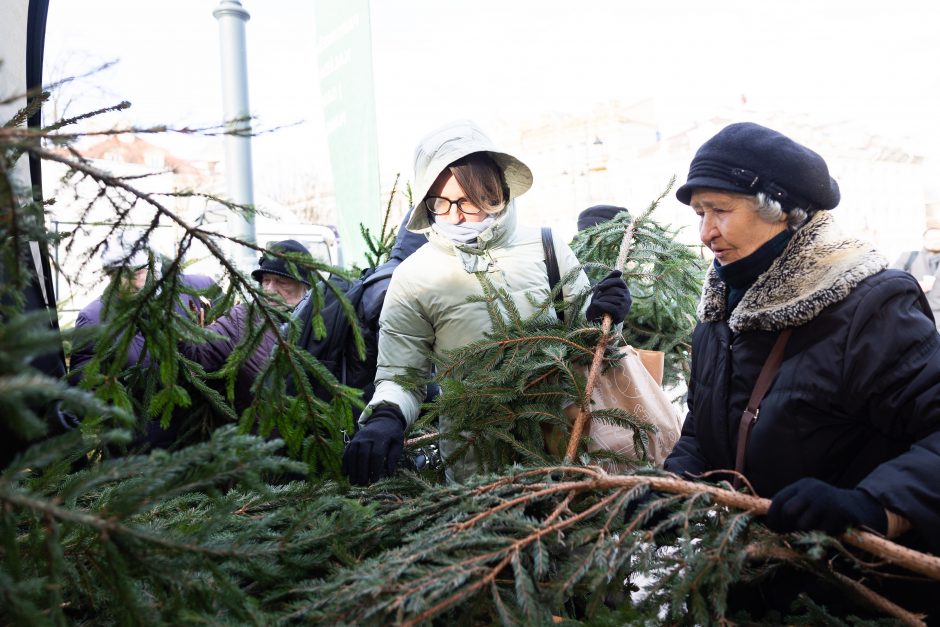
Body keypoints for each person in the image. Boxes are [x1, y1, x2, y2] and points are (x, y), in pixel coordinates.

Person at [663, 122, 940, 615]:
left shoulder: (870, 308)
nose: (705, 234)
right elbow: (703, 429)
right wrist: (671, 486)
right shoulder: (718, 313)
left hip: (855, 592)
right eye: (700, 213)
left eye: (720, 211)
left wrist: (871, 506)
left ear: (781, 210)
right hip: (751, 583)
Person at [341, 120, 632, 486]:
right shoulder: (414, 277)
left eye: (466, 201)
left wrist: (607, 315)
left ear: (493, 191)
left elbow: (595, 348)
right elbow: (402, 376)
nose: (456, 215)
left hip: (565, 448)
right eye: (440, 203)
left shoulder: (546, 247)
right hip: (475, 465)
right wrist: (387, 416)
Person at [180, 239, 312, 413]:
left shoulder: (323, 320)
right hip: (259, 436)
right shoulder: (242, 318)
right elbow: (197, 353)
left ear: (305, 286)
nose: (270, 289)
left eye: (281, 281)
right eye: (266, 281)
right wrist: (180, 332)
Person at [71, 232, 215, 372]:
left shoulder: (200, 288)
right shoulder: (93, 319)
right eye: (117, 274)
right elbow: (85, 386)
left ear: (155, 266)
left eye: (136, 272)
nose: (126, 282)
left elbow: (231, 341)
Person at [891, 224, 940, 330]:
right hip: (915, 318)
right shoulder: (909, 257)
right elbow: (891, 281)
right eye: (932, 238)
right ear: (924, 240)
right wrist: (914, 284)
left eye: (938, 238)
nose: (936, 241)